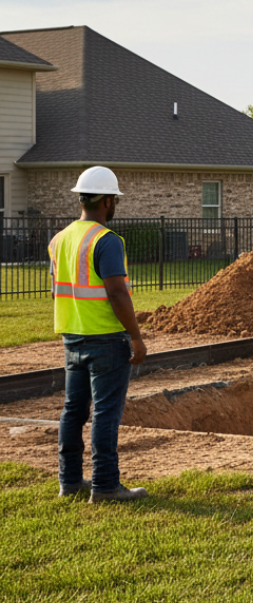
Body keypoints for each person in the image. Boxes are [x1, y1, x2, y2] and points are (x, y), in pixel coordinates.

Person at [49, 166, 148, 501]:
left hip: (72, 338)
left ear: (81, 199)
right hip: (106, 339)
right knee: (106, 413)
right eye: (114, 199)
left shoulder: (59, 240)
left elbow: (56, 292)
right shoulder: (107, 241)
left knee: (73, 411)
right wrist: (135, 336)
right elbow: (117, 293)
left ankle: (70, 482)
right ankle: (105, 486)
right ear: (107, 201)